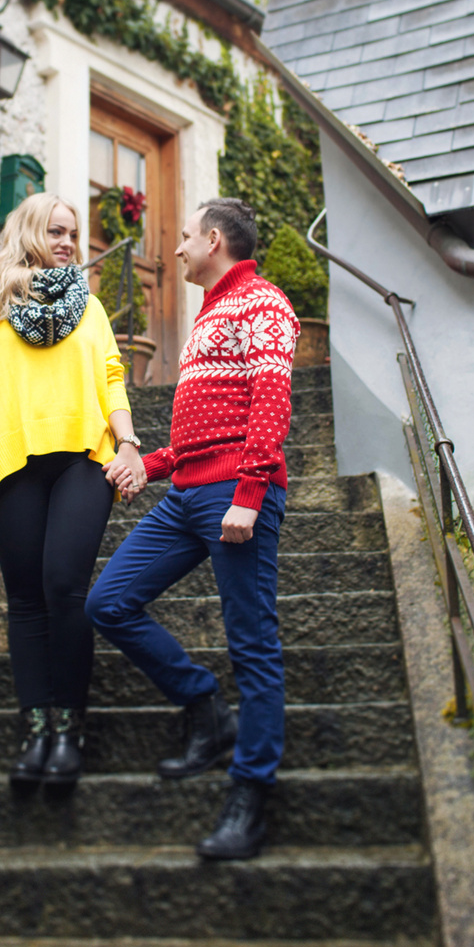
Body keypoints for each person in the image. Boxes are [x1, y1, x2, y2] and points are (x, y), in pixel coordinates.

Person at [87, 197, 299, 859]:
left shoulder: (263, 302)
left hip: (235, 496)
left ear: (213, 240)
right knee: (108, 601)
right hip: (186, 495)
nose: (174, 249)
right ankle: (205, 707)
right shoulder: (209, 314)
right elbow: (203, 430)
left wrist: (250, 491)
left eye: (183, 238)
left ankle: (252, 794)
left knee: (253, 645)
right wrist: (146, 467)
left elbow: (271, 400)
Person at [0, 192, 146, 786]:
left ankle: (70, 727)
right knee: (26, 599)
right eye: (56, 231)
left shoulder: (90, 307)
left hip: (83, 462)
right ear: (30, 232)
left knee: (64, 586)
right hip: (13, 464)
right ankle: (35, 728)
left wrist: (128, 442)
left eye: (73, 233)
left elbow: (112, 376)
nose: (68, 242)